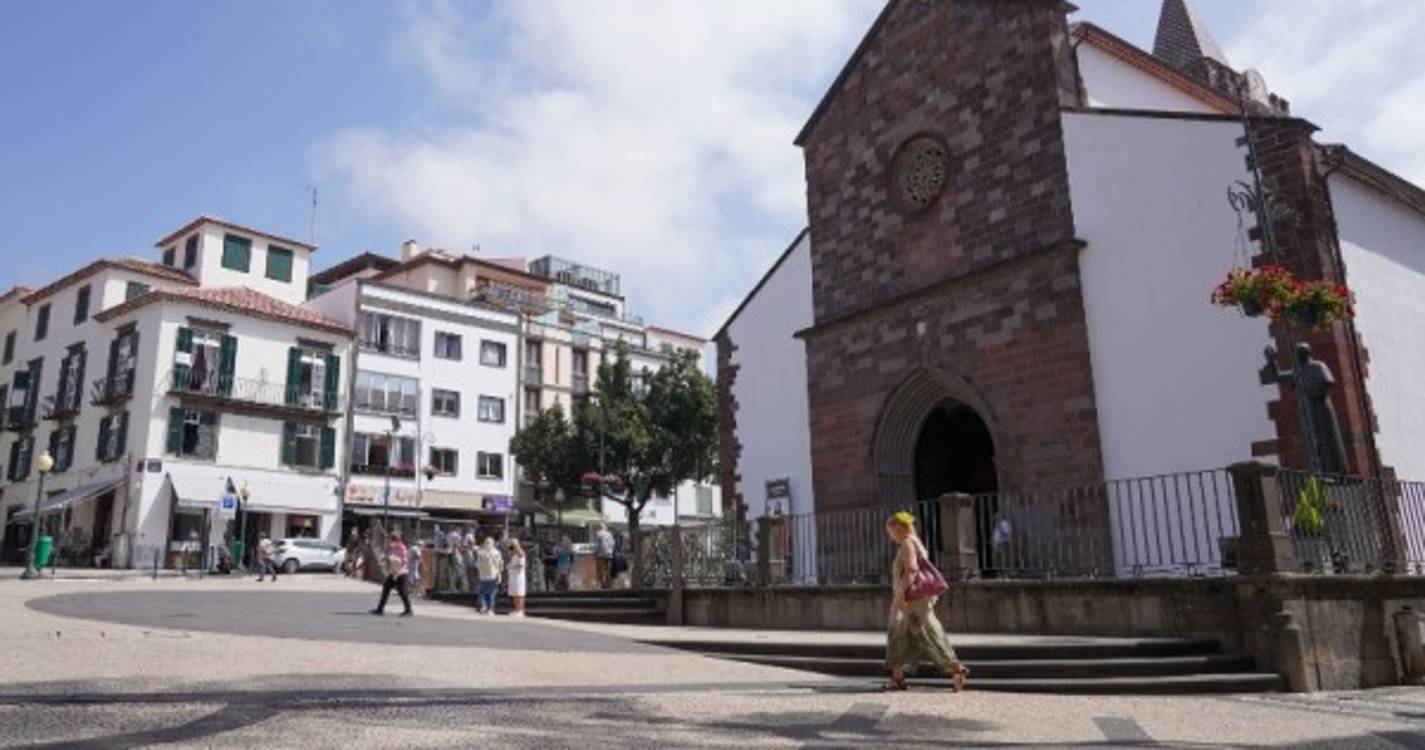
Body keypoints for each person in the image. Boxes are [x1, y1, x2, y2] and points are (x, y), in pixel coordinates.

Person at [884, 512, 968, 692]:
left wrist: (901, 594)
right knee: (928, 633)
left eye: (892, 530)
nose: (891, 534)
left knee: (897, 634)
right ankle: (955, 669)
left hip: (909, 599)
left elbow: (912, 569)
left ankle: (897, 678)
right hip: (918, 600)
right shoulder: (916, 542)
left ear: (900, 528)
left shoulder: (907, 543)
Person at [370, 530, 414, 618]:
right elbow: (391, 557)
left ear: (397, 540)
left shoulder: (402, 548)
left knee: (403, 592)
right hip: (393, 572)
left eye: (391, 540)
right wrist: (387, 559)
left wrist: (395, 560)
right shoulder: (394, 548)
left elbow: (404, 561)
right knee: (386, 588)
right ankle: (380, 609)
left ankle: (408, 610)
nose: (390, 542)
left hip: (401, 573)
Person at [475, 537, 503, 615]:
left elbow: (500, 564)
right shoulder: (481, 553)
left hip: (492, 575)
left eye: (489, 542)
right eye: (487, 542)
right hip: (484, 576)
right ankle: (484, 607)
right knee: (484, 592)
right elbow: (477, 564)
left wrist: (499, 574)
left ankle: (490, 608)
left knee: (491, 593)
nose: (488, 544)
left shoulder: (496, 553)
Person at [506, 538, 528, 618]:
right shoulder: (513, 554)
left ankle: (520, 610)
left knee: (519, 593)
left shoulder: (520, 553)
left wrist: (511, 567)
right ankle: (516, 609)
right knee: (514, 593)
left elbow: (521, 565)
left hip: (518, 576)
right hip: (513, 576)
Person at [594, 524, 615, 590]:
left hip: (601, 554)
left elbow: (597, 545)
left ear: (599, 528)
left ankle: (602, 584)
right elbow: (613, 543)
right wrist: (611, 550)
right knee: (608, 569)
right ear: (605, 528)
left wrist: (595, 552)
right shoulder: (609, 534)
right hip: (609, 553)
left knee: (600, 569)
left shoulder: (598, 534)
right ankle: (608, 583)